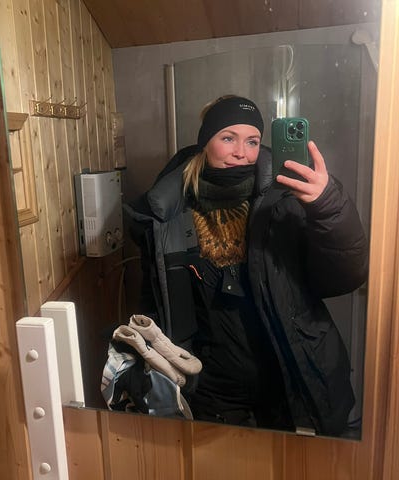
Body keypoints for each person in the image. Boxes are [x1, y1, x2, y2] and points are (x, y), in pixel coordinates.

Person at [124, 95, 369, 436]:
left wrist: (327, 206)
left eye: (252, 141)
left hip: (288, 377)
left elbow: (345, 276)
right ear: (205, 142)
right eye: (228, 138)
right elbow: (156, 300)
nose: (241, 152)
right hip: (211, 388)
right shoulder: (168, 214)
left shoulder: (287, 200)